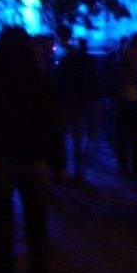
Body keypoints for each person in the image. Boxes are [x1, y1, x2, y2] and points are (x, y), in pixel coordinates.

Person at [0, 26, 65, 273]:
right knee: (36, 223)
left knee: (2, 224)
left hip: (3, 160)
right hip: (34, 159)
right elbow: (52, 123)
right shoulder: (39, 80)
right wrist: (57, 160)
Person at [56, 37, 102, 181]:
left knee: (64, 137)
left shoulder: (66, 60)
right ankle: (77, 169)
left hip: (66, 101)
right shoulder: (88, 62)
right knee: (78, 137)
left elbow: (58, 79)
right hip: (78, 103)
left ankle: (63, 169)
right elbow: (94, 82)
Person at [114, 32, 137, 176]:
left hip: (122, 98)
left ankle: (123, 164)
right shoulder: (136, 59)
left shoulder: (121, 57)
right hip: (135, 100)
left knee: (123, 134)